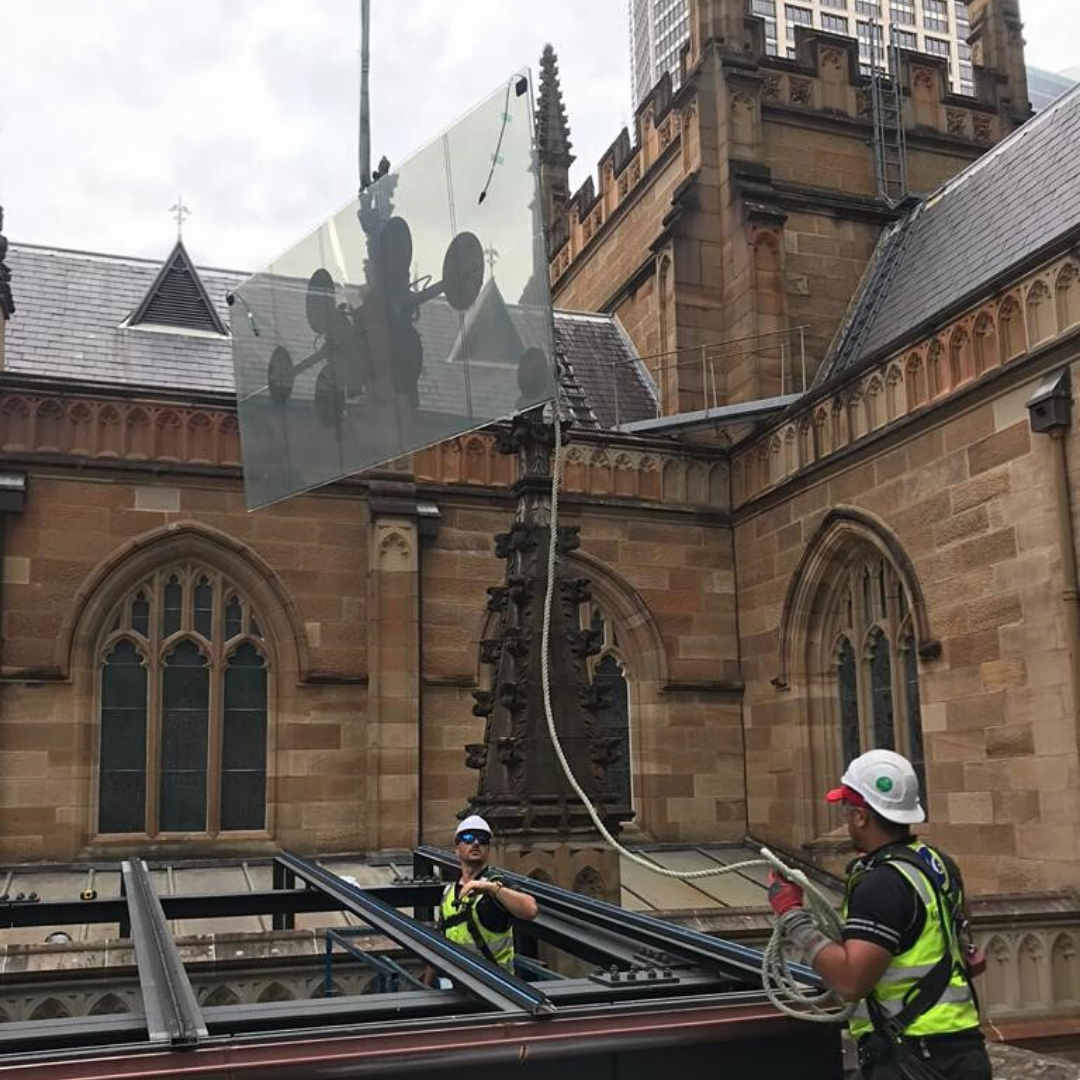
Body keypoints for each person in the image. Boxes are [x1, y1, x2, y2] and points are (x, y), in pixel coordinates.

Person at [767, 750, 990, 1080]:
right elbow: (951, 933)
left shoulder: (882, 883)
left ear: (860, 816)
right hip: (960, 1051)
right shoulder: (936, 862)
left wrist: (791, 915)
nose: (844, 816)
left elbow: (849, 980)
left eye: (846, 808)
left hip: (914, 1056)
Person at [430, 815, 537, 978]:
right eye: (468, 837)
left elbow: (530, 909)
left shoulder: (496, 882)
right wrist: (426, 984)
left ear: (488, 849)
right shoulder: (448, 892)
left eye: (482, 839)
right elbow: (439, 939)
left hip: (496, 985)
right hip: (459, 983)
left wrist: (489, 888)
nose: (476, 843)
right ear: (457, 848)